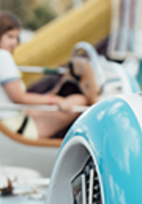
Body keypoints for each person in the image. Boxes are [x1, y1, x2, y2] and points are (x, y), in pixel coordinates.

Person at [0, 11, 88, 139]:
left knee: (68, 101)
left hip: (13, 119)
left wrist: (57, 91)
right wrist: (56, 100)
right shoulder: (3, 56)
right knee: (80, 102)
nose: (14, 43)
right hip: (15, 128)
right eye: (10, 37)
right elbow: (18, 98)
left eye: (16, 38)